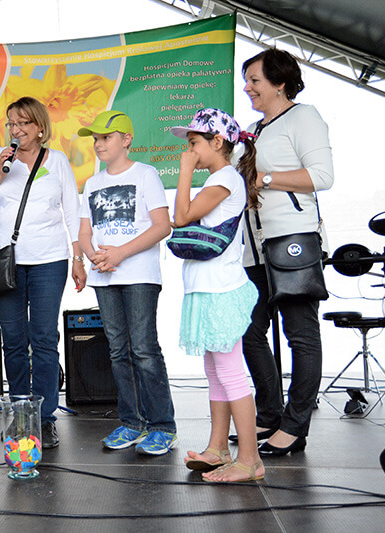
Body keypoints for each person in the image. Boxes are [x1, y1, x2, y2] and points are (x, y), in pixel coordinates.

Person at [0, 96, 85, 449]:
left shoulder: (58, 161)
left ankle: (45, 418)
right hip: (6, 261)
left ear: (39, 127)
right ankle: (21, 416)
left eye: (23, 123)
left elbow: (72, 211)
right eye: (11, 124)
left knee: (44, 340)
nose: (16, 130)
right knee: (15, 341)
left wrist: (78, 257)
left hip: (50, 260)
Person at [234, 49, 334, 456]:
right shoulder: (251, 131)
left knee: (301, 336)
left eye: (254, 80)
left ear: (279, 83)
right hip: (254, 248)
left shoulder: (303, 117)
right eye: (246, 80)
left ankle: (295, 426)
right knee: (248, 332)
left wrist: (265, 179)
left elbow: (322, 176)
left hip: (292, 240)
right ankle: (270, 413)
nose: (247, 87)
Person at [169, 108, 264, 482]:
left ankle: (250, 459)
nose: (189, 150)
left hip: (221, 288)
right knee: (215, 371)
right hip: (208, 288)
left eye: (194, 142)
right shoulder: (220, 179)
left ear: (217, 142)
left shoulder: (225, 178)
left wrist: (185, 170)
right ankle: (218, 448)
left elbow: (181, 217)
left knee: (229, 372)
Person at [77, 110, 177, 455]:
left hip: (139, 276)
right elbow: (85, 231)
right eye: (96, 139)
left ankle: (162, 426)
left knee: (144, 349)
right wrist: (93, 255)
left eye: (106, 137)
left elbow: (162, 226)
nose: (98, 144)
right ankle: (133, 422)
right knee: (118, 351)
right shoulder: (92, 183)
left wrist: (119, 253)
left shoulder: (145, 174)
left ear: (126, 139)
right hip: (104, 276)